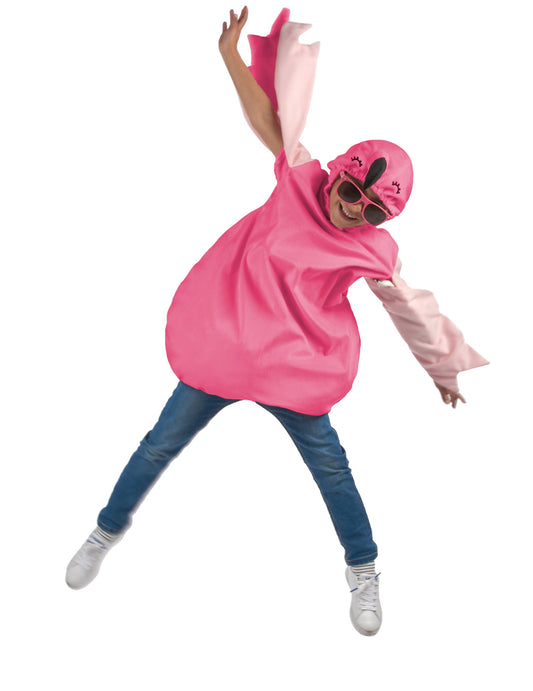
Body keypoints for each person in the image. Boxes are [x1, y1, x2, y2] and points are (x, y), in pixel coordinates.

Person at [65, 8, 488, 637]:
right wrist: (229, 56)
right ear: (339, 173)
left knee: (332, 470)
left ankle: (364, 570)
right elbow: (271, 118)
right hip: (226, 349)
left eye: (373, 210)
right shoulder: (298, 178)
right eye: (353, 193)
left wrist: (442, 369)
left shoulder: (373, 249)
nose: (356, 211)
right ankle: (105, 531)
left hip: (294, 367)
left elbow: (409, 308)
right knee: (158, 444)